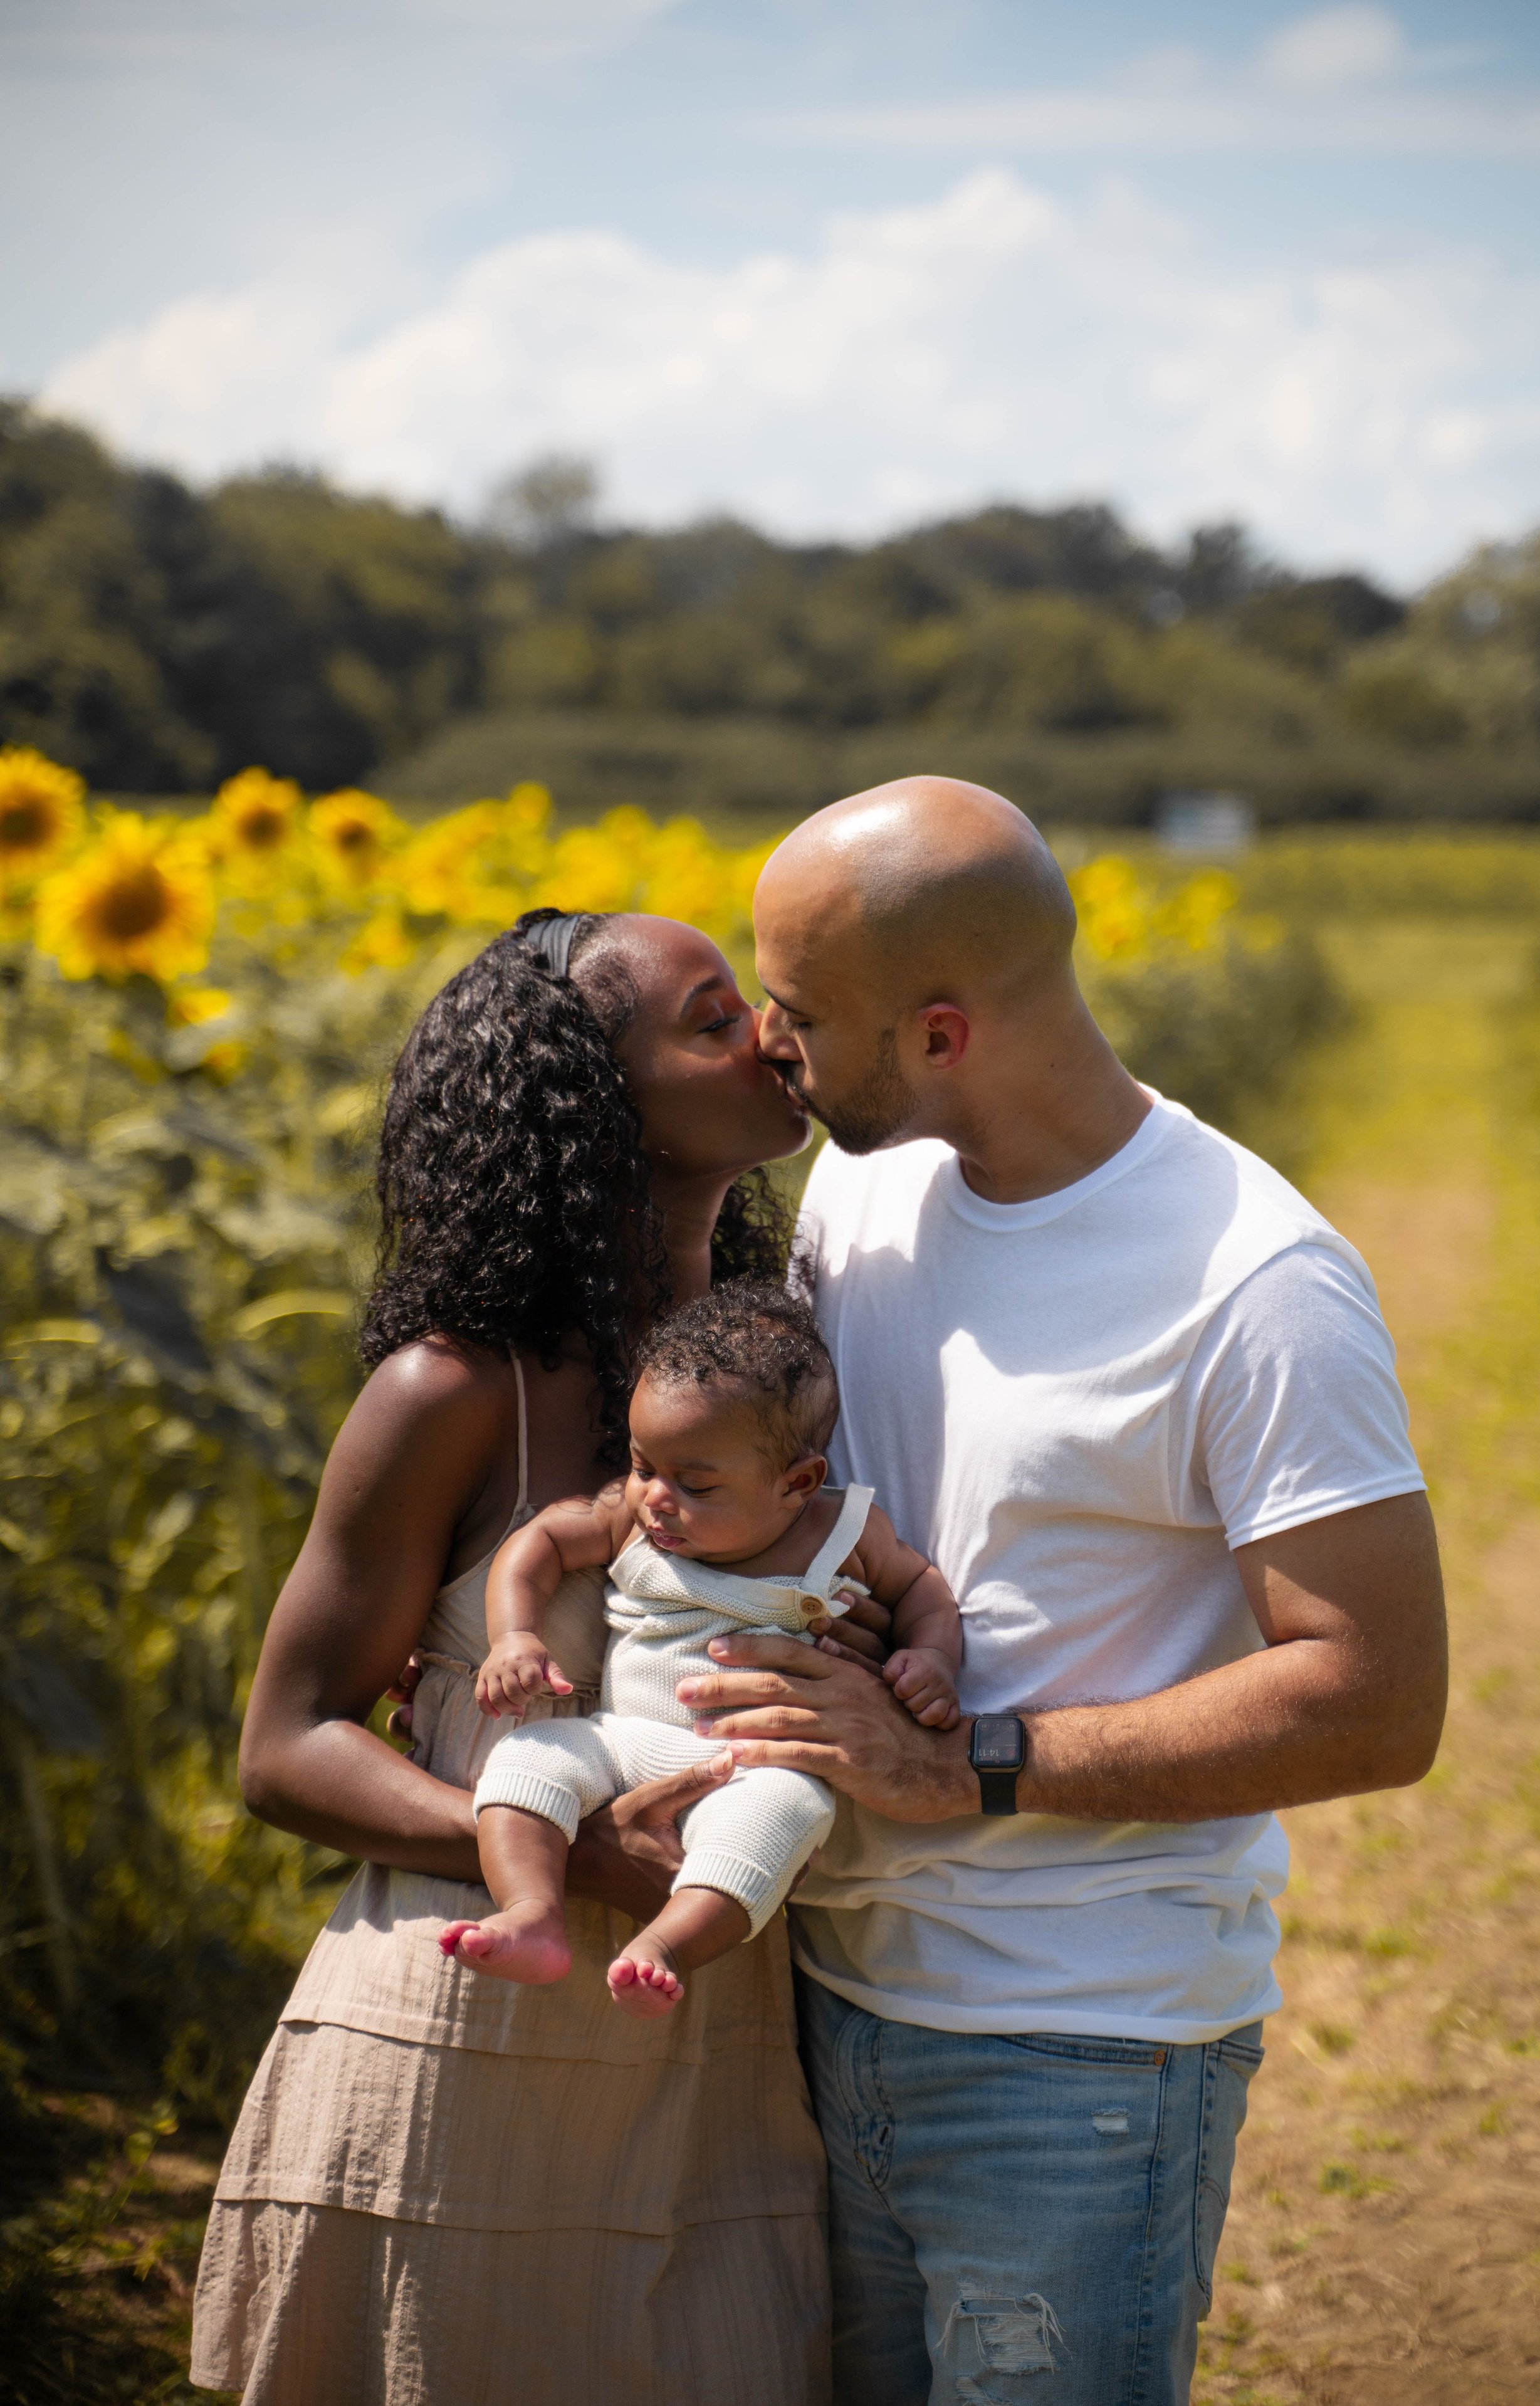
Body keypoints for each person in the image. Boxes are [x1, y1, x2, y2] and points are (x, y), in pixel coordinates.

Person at [677, 778, 1450, 2406]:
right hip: (819, 1996)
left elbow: (1375, 1693)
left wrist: (981, 1758)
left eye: (802, 1009)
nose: (768, 1038)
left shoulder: (1256, 1279)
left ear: (943, 1031)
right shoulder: (861, 1193)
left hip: (1080, 2046)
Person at [189, 906, 847, 2406]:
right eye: (706, 1017)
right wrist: (570, 1844)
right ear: (586, 1098)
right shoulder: (454, 1389)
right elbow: (283, 1743)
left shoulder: (790, 1375)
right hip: (456, 2052)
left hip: (712, 2061)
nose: (767, 1036)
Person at [440, 1281, 963, 2013]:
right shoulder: (629, 1517)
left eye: (695, 1484)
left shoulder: (840, 1533)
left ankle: (665, 1947)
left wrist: (931, 1658)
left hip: (755, 1764)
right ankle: (532, 1910)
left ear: (797, 1483)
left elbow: (924, 1590)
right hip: (621, 1741)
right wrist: (514, 1634)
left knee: (782, 1815)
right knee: (526, 1760)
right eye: (644, 1463)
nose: (655, 1496)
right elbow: (541, 1544)